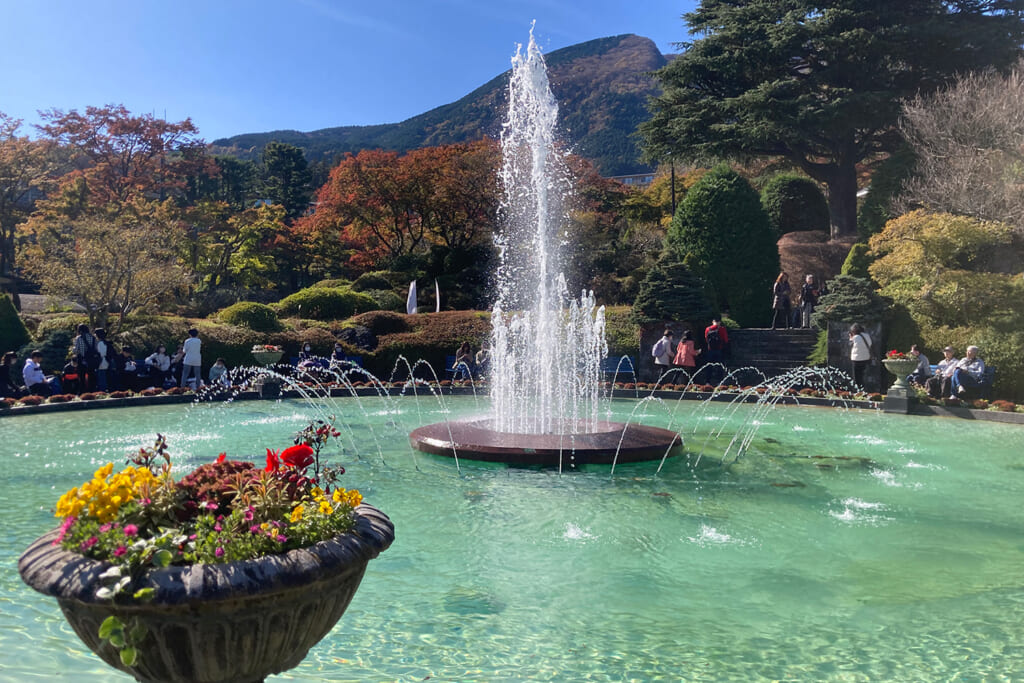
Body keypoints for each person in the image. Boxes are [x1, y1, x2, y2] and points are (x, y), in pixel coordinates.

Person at [72, 323, 100, 392]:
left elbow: (76, 350)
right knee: (92, 376)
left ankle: (83, 392)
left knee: (82, 377)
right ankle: (92, 391)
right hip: (91, 360)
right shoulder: (93, 337)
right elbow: (96, 349)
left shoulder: (79, 338)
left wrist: (73, 349)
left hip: (82, 359)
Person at [848, 323, 873, 390]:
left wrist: (850, 338)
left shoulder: (855, 337)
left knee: (856, 376)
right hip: (866, 358)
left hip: (856, 359)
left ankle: (858, 389)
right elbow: (870, 344)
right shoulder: (867, 336)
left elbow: (850, 344)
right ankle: (863, 388)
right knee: (862, 375)